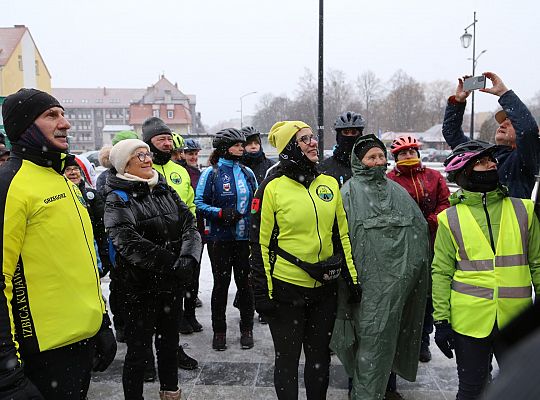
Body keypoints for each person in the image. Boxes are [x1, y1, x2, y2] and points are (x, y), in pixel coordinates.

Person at [0, 88, 116, 399]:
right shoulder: (10, 184)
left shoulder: (64, 181)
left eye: (63, 114)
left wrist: (101, 323)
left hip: (81, 343)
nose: (64, 123)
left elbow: (82, 264)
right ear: (24, 126)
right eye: (52, 115)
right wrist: (7, 371)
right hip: (40, 354)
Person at [250, 120, 361, 400]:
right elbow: (260, 244)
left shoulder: (328, 184)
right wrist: (263, 292)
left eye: (313, 137)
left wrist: (352, 278)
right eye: (305, 139)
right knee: (287, 360)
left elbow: (341, 236)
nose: (313, 143)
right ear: (290, 147)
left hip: (324, 289)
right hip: (287, 289)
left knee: (319, 359)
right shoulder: (271, 188)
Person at [432, 140, 540, 400]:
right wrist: (441, 320)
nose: (492, 164)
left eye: (492, 160)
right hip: (469, 322)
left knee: (525, 390)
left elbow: (537, 263)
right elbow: (441, 271)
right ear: (465, 171)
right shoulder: (449, 217)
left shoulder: (524, 209)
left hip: (517, 320)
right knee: (472, 389)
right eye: (482, 161)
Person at [331, 134, 429, 400]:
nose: (378, 161)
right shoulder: (348, 194)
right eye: (371, 157)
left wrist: (409, 275)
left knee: (391, 339)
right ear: (359, 161)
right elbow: (340, 239)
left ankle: (386, 390)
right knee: (368, 344)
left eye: (381, 156)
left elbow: (417, 234)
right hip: (365, 288)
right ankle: (362, 394)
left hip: (396, 288)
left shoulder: (397, 191)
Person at [104, 138, 202, 400]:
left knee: (169, 347)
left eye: (147, 154)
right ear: (125, 164)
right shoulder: (117, 197)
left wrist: (189, 259)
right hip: (138, 291)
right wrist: (173, 264)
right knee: (138, 353)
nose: (148, 159)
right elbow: (127, 240)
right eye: (139, 156)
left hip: (170, 287)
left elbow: (190, 225)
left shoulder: (164, 189)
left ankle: (171, 392)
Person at [387, 135, 451, 363]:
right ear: (395, 157)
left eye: (412, 152)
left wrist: (432, 220)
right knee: (407, 295)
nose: (408, 156)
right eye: (403, 153)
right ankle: (404, 343)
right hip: (403, 246)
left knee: (428, 298)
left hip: (432, 243)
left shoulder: (434, 177)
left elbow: (445, 202)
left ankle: (423, 341)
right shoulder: (389, 180)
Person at [195, 128, 257, 351]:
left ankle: (246, 329)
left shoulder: (248, 172)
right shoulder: (210, 173)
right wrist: (220, 213)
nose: (242, 148)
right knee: (220, 286)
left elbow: (257, 203)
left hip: (243, 239)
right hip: (219, 240)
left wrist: (252, 220)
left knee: (245, 286)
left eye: (243, 144)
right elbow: (198, 203)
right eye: (237, 144)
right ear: (223, 148)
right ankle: (219, 331)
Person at [441, 71, 540, 199]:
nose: (502, 125)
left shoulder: (523, 159)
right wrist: (458, 102)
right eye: (502, 122)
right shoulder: (483, 153)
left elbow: (527, 131)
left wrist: (504, 93)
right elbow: (451, 134)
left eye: (510, 123)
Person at [64, 156, 113, 277]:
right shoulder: (60, 196)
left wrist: (104, 253)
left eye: (76, 169)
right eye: (68, 169)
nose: (73, 172)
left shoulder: (92, 195)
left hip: (93, 250)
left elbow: (102, 226)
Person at [176, 138, 206, 333]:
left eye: (195, 153)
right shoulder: (179, 173)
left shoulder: (200, 174)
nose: (193, 157)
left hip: (197, 230)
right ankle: (180, 317)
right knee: (181, 276)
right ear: (182, 154)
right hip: (180, 231)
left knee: (194, 274)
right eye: (189, 153)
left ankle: (190, 314)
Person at [142, 117, 195, 215]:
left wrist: (192, 228)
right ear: (149, 143)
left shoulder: (181, 170)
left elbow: (190, 205)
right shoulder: (140, 170)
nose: (167, 143)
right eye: (161, 139)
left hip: (182, 230)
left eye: (169, 139)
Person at [318, 111, 365, 187]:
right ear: (338, 136)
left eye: (354, 132)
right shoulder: (325, 168)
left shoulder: (369, 166)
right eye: (345, 132)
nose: (349, 136)